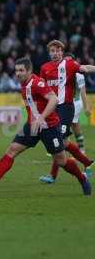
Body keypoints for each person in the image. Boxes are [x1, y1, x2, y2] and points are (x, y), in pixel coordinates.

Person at [0, 57, 91, 195]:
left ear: (29, 71)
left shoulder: (37, 83)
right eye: (16, 70)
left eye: (21, 70)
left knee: (61, 161)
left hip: (50, 127)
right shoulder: (24, 84)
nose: (18, 73)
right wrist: (35, 120)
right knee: (12, 150)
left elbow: (54, 99)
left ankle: (82, 178)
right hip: (32, 126)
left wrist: (41, 118)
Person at [38, 40, 94, 184]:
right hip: (53, 109)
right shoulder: (45, 68)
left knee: (58, 142)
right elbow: (42, 90)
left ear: (62, 52)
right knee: (64, 142)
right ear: (49, 53)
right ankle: (88, 163)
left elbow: (85, 68)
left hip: (66, 108)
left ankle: (52, 176)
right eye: (52, 51)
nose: (55, 53)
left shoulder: (69, 64)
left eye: (58, 51)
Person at [66, 54, 91, 153]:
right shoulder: (61, 72)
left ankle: (63, 148)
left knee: (64, 124)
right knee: (74, 124)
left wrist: (86, 107)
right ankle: (81, 148)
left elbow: (83, 91)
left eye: (69, 60)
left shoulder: (78, 74)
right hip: (66, 103)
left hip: (75, 103)